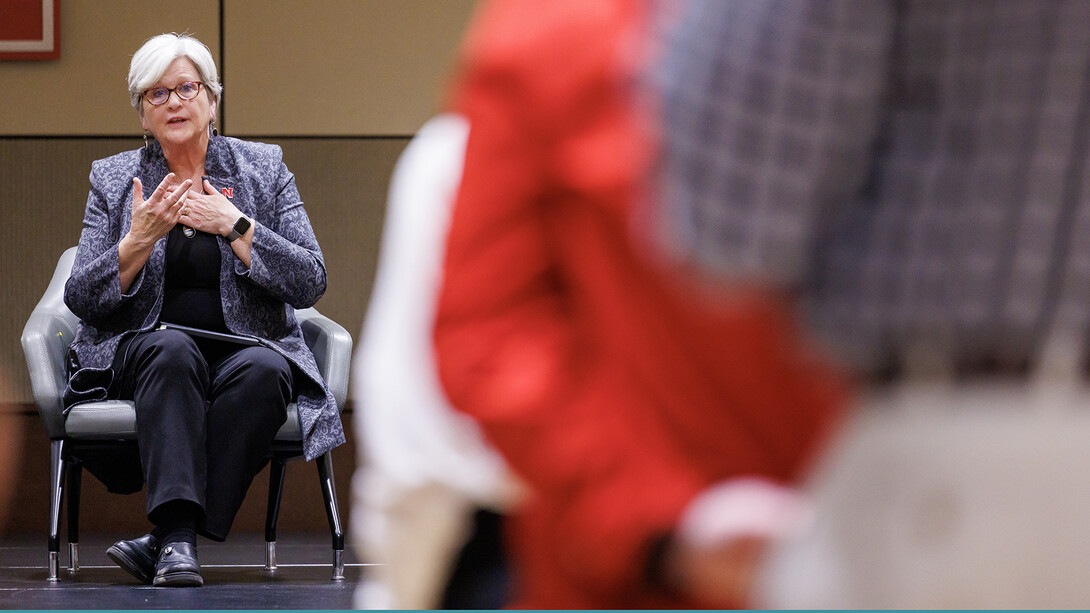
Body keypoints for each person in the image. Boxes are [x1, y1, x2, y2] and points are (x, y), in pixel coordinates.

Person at [431, 0, 846, 608]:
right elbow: (489, 335)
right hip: (642, 569)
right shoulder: (553, 37)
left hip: (910, 530)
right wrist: (662, 519)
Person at [62, 32, 344, 587]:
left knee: (267, 371)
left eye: (185, 88)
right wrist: (137, 240)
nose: (173, 102)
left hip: (247, 349)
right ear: (142, 115)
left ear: (212, 100)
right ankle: (180, 540)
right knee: (172, 349)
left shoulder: (263, 168)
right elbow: (81, 298)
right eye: (155, 94)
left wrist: (236, 226)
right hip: (145, 349)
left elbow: (311, 279)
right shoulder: (115, 179)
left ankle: (173, 540)